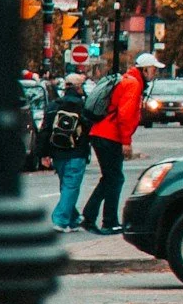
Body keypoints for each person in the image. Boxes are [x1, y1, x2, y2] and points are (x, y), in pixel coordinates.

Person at [80, 51, 154, 235]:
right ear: (145, 69)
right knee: (115, 178)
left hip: (101, 132)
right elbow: (125, 114)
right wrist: (126, 141)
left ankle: (90, 216)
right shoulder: (134, 84)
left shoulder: (127, 80)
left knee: (110, 178)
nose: (155, 73)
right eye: (153, 69)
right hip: (109, 135)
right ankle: (108, 220)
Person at [40, 75, 93, 230]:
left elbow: (45, 131)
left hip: (57, 153)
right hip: (77, 152)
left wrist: (43, 154)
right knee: (71, 187)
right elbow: (90, 128)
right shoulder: (83, 106)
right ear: (77, 87)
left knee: (66, 186)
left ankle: (73, 218)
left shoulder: (54, 106)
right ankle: (61, 220)